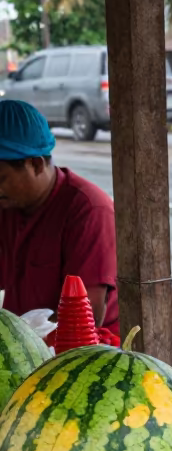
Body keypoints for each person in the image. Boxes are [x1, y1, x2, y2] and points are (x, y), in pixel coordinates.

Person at [0, 100, 118, 335]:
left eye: (0, 178)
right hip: (23, 351)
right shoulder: (7, 205)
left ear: (35, 164)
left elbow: (83, 321)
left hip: (84, 355)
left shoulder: (89, 211)